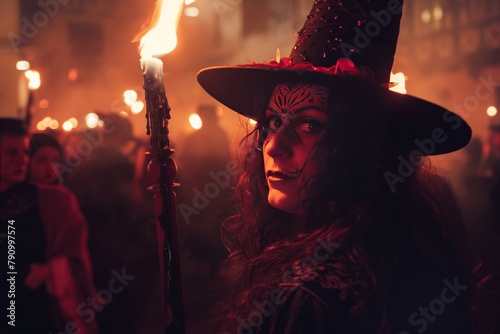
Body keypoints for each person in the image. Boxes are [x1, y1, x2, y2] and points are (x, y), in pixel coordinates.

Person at [196, 0, 499, 333]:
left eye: (309, 125)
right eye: (271, 122)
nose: (273, 145)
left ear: (362, 146)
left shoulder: (307, 298)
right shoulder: (404, 250)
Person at [0, 118, 98, 334]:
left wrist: (50, 271)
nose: (21, 161)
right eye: (11, 153)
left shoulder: (53, 201)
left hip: (40, 315)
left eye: (24, 153)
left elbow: (76, 257)